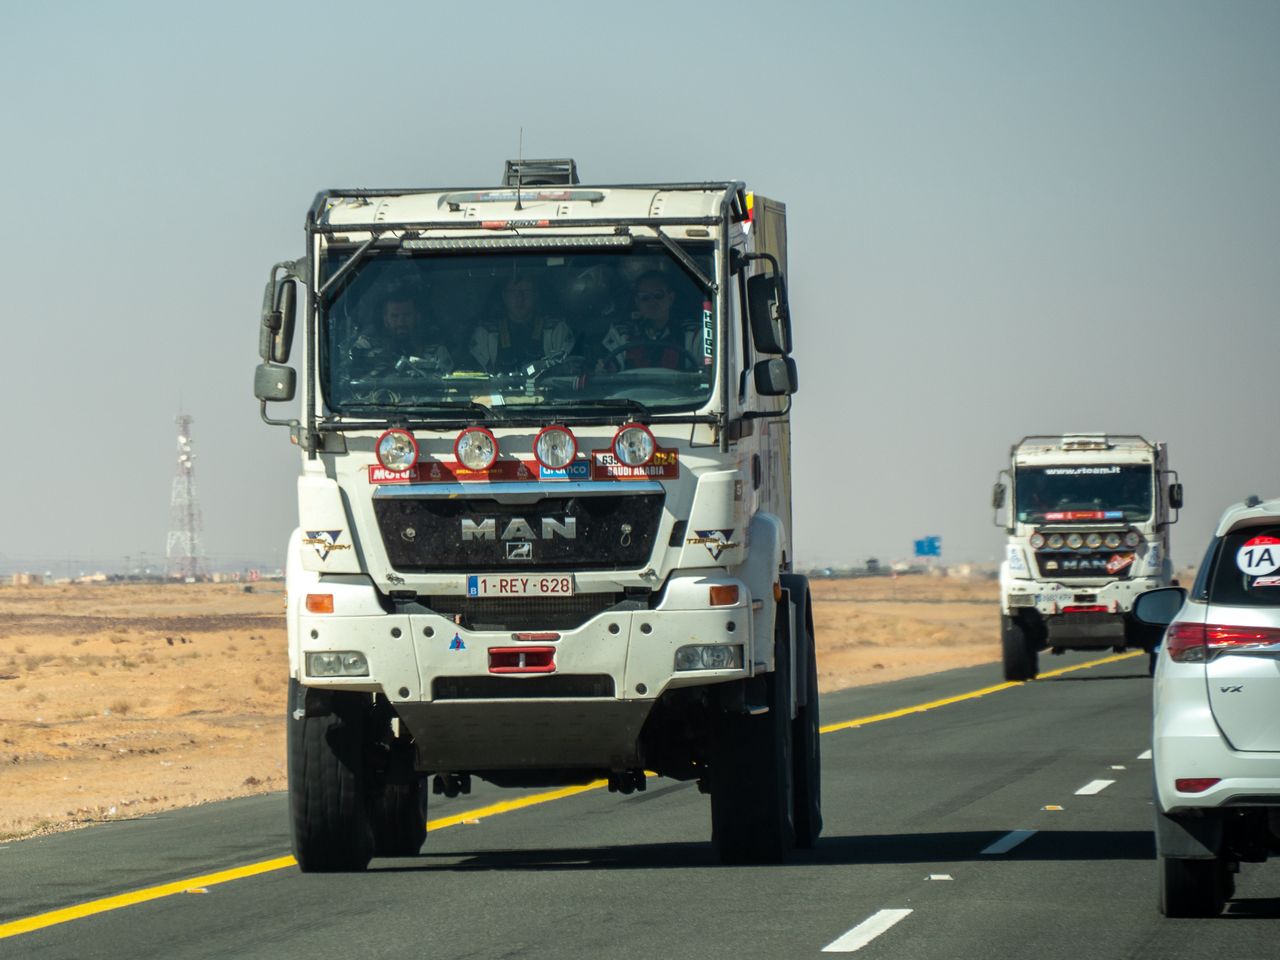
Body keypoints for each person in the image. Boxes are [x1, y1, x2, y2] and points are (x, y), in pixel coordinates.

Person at [469, 273, 575, 374]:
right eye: (513, 292)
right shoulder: (485, 333)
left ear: (535, 295)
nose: (520, 298)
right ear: (504, 297)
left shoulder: (556, 329)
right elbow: (477, 376)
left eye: (526, 291)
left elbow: (566, 370)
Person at [599, 271, 703, 371]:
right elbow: (608, 370)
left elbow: (704, 372)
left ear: (671, 298)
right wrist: (604, 369)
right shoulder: (621, 333)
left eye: (658, 295)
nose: (652, 302)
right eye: (645, 297)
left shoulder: (693, 334)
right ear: (637, 302)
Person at [346, 282, 452, 378]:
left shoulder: (437, 352)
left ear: (417, 317)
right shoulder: (364, 348)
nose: (401, 322)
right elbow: (348, 379)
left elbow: (447, 387)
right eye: (395, 316)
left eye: (407, 315)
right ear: (385, 319)